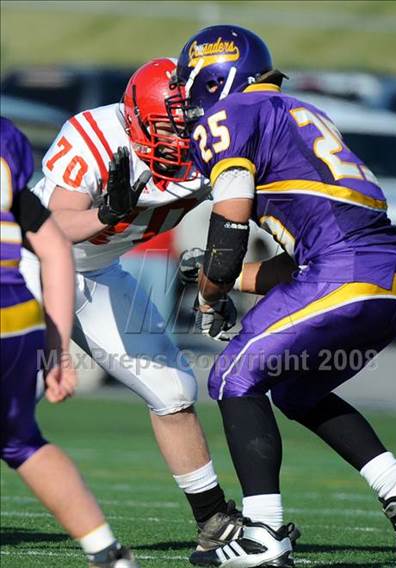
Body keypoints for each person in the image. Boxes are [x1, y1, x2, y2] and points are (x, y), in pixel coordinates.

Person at [168, 25, 396, 567]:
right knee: (297, 390)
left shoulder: (231, 114)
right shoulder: (297, 113)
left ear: (216, 74)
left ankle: (263, 531)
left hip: (346, 272)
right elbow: (301, 254)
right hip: (393, 280)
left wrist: (211, 291)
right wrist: (227, 278)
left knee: (234, 375)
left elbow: (230, 221)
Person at [19, 59, 244, 552]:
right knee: (12, 398)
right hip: (32, 263)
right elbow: (55, 226)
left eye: (185, 123)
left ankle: (212, 520)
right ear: (136, 118)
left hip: (99, 272)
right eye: (166, 126)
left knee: (174, 388)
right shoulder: (95, 133)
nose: (178, 137)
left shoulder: (212, 146)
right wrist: (105, 211)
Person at [0, 117, 138, 567]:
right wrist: (56, 349)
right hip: (15, 317)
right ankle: (107, 552)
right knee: (22, 442)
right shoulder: (7, 142)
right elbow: (55, 250)